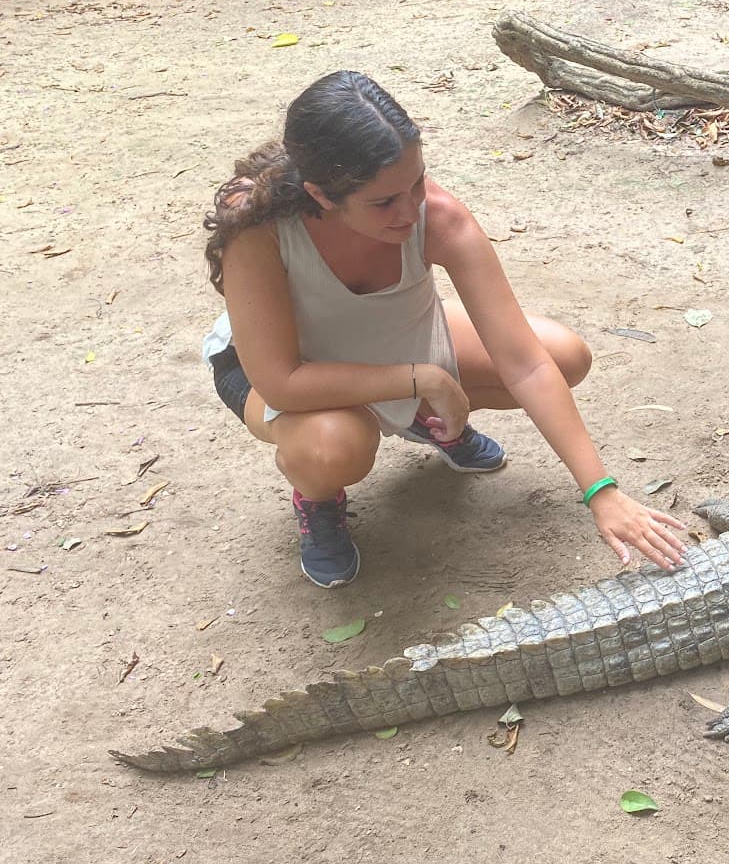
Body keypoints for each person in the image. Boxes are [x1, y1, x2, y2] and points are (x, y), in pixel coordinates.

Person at [200, 71, 688, 587]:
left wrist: (600, 491)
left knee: (565, 356)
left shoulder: (437, 215)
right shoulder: (258, 223)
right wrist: (424, 379)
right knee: (332, 446)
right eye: (384, 202)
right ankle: (318, 498)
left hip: (395, 339)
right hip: (282, 371)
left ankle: (425, 418)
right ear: (321, 195)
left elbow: (525, 363)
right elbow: (282, 381)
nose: (411, 211)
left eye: (416, 183)